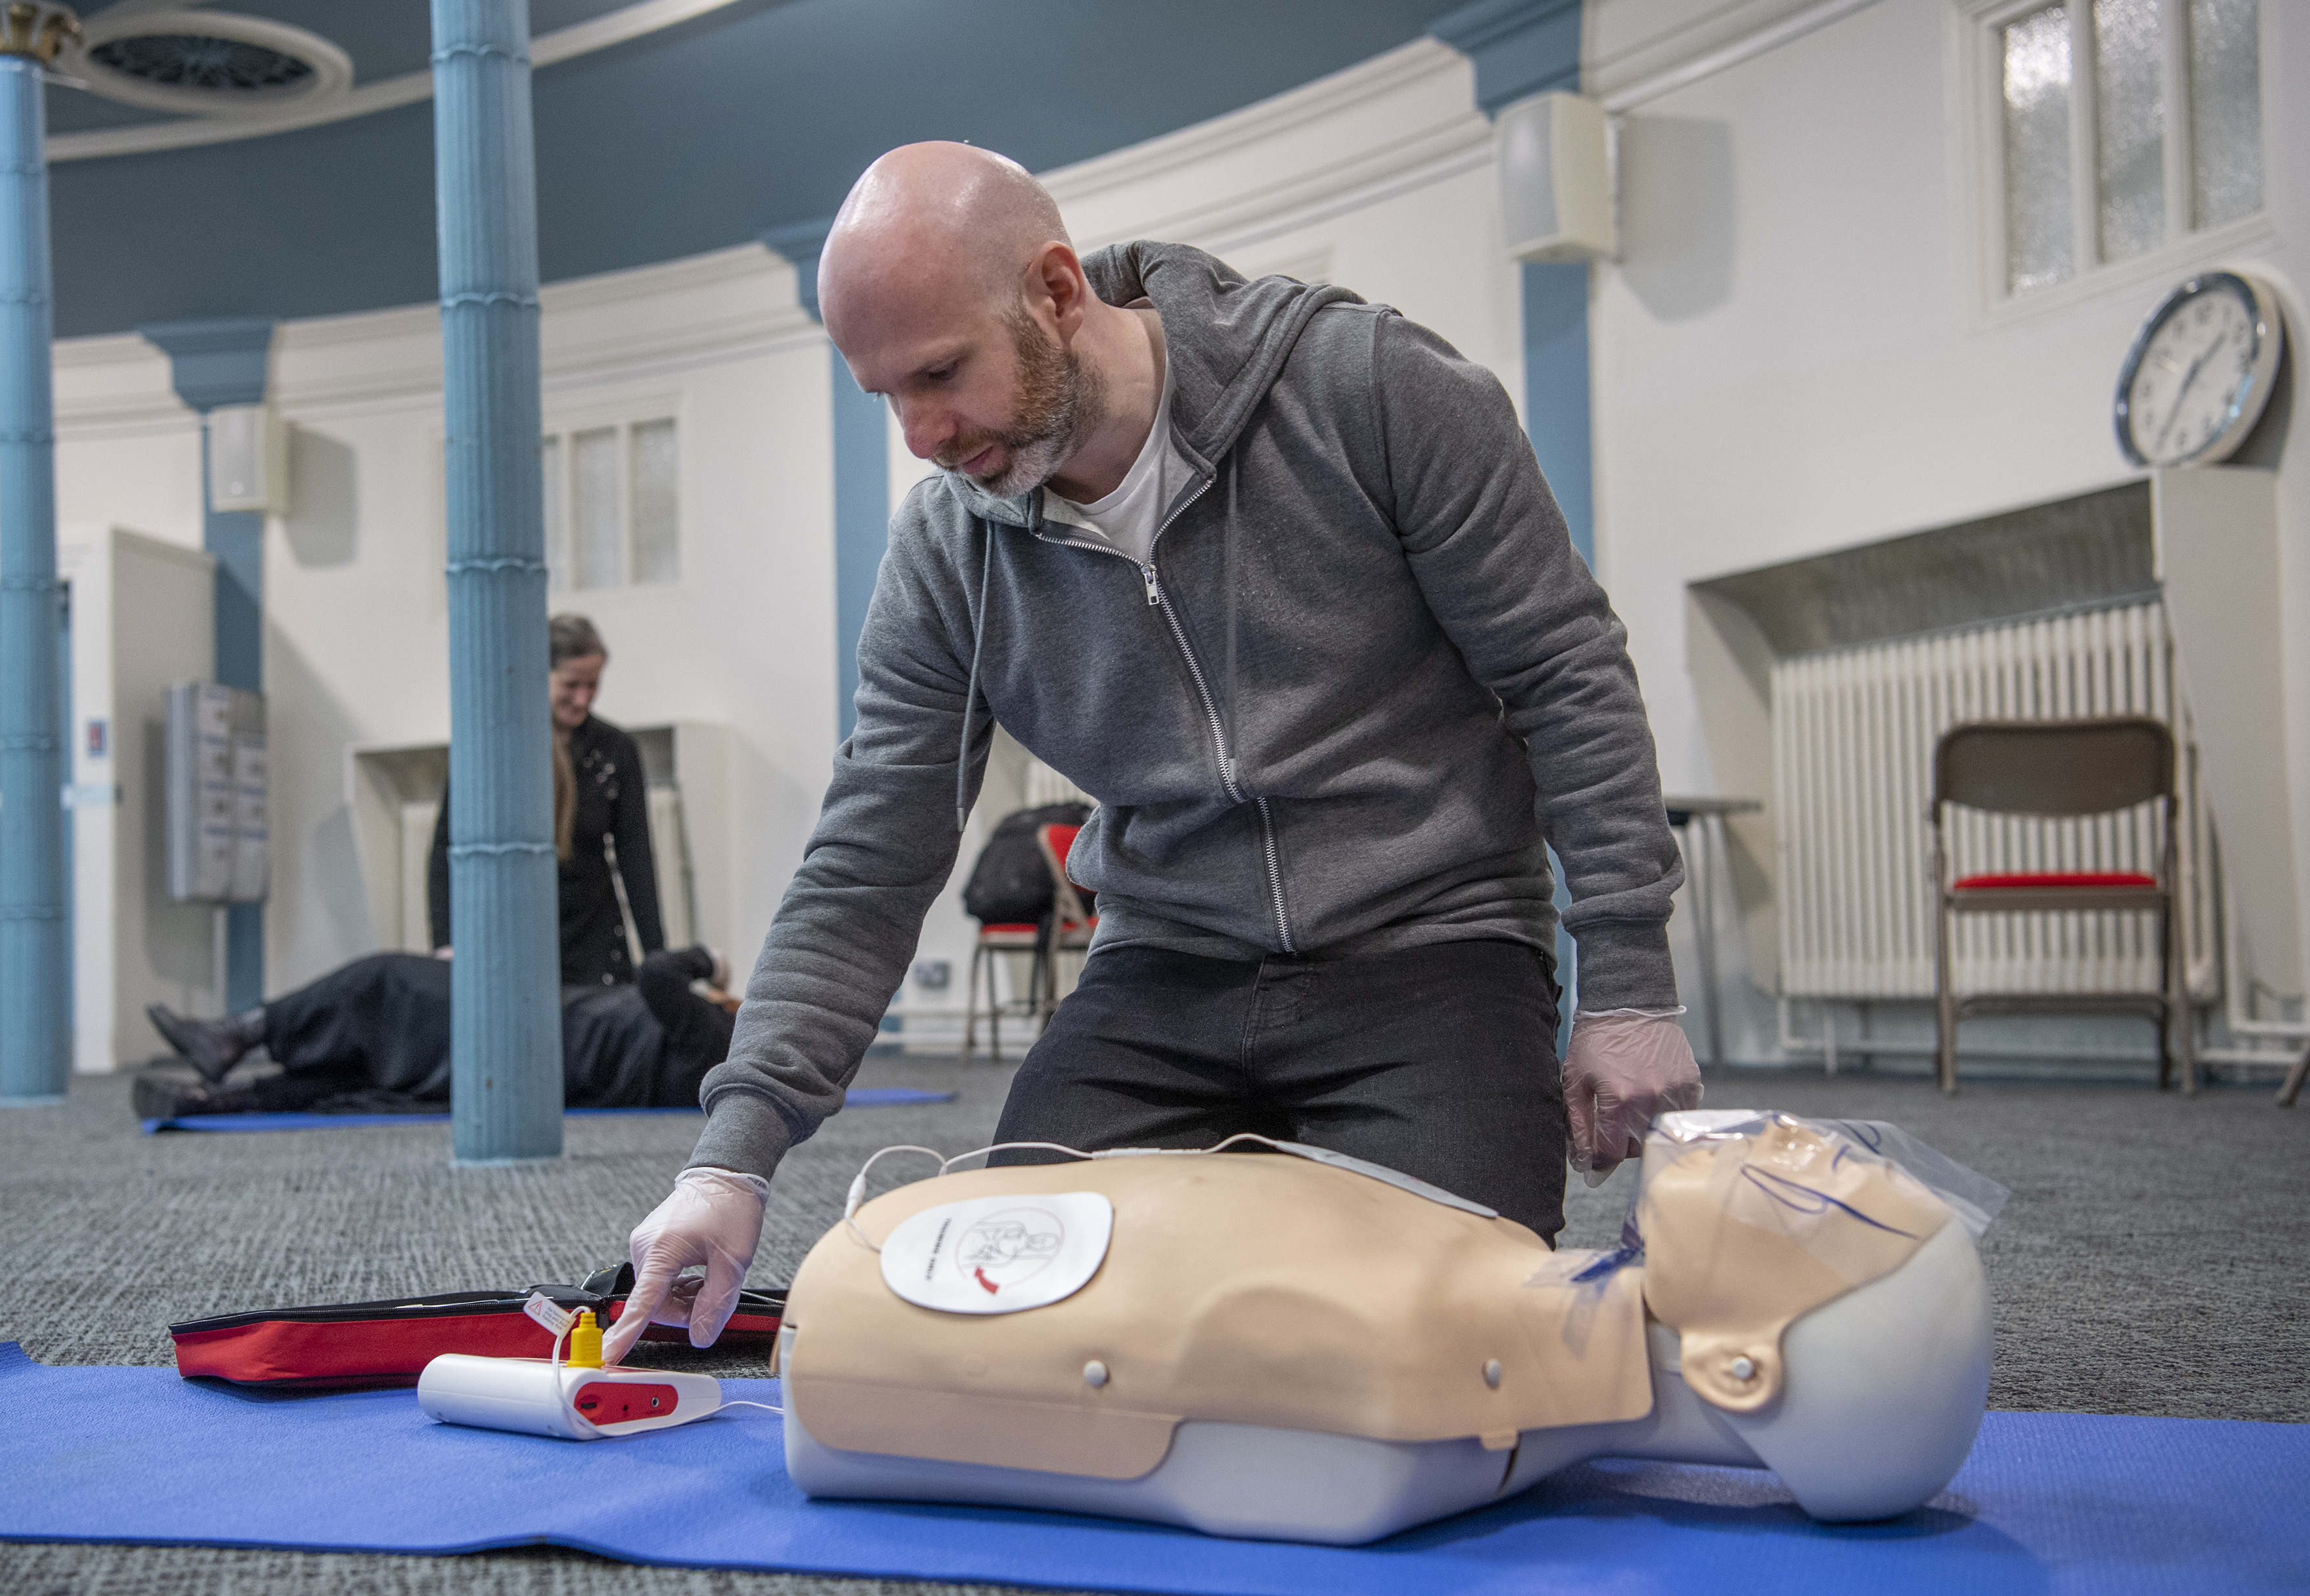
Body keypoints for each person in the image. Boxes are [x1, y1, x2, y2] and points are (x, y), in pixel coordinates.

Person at [604, 143, 1702, 1358]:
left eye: (941, 373)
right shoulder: (948, 553)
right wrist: (733, 1160)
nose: (921, 435)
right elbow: (869, 854)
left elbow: (1566, 669)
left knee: (1444, 1343)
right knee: (1016, 1326)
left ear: (1060, 292)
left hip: (1432, 947)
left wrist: (1628, 981)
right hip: (1167, 965)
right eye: (885, 396)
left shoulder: (1370, 387)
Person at [133, 945, 735, 1119]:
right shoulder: (707, 1085)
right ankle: (210, 1099)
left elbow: (655, 973)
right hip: (534, 1076)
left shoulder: (716, 1040)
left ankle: (235, 1034)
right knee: (364, 1076)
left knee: (381, 978)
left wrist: (707, 961)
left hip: (527, 1024)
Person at [431, 613, 665, 987]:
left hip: (593, 935)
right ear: (538, 675)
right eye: (571, 685)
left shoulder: (615, 750)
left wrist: (657, 957)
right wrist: (446, 944)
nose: (583, 699)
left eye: (593, 685)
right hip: (514, 930)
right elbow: (448, 845)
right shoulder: (492, 745)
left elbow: (636, 855)